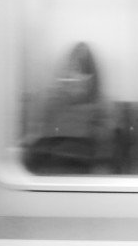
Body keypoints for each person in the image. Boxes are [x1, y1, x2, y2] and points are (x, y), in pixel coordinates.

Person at [23, 42, 117, 174]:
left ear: (91, 77)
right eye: (71, 70)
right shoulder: (50, 100)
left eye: (82, 71)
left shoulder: (102, 105)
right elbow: (38, 141)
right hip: (51, 170)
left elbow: (104, 151)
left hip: (85, 173)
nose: (75, 77)